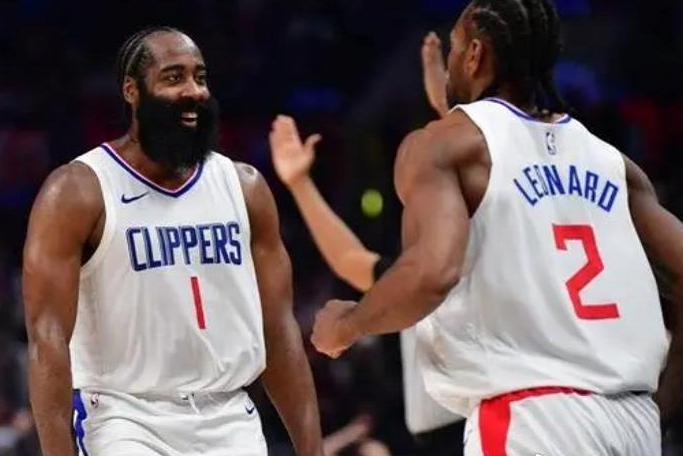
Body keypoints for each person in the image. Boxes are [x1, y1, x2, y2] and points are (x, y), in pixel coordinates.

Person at [311, 0, 682, 454]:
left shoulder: (441, 147)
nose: (450, 61)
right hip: (633, 420)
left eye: (454, 47)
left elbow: (433, 273)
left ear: (474, 54)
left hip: (534, 420)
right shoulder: (614, 164)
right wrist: (662, 408)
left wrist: (347, 325)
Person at [22, 27, 324, 456]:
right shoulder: (78, 190)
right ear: (132, 91)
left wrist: (312, 449)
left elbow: (279, 331)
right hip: (126, 418)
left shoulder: (244, 187)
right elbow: (47, 339)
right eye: (173, 77)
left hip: (230, 416)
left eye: (200, 77)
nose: (194, 91)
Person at [269, 33, 465, 456]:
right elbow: (349, 259)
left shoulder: (468, 262)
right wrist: (300, 184)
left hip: (484, 426)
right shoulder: (416, 270)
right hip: (430, 435)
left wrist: (449, 111)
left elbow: (486, 165)